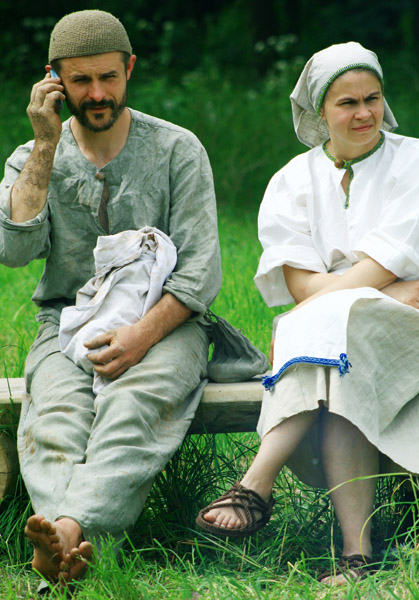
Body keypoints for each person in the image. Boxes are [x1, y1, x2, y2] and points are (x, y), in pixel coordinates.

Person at [0, 9, 221, 586]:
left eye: (109, 78)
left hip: (169, 324)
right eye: (81, 81)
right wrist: (45, 143)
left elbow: (200, 273)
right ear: (54, 80)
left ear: (130, 69)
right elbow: (13, 250)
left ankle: (65, 532)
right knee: (55, 418)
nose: (97, 94)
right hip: (66, 325)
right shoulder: (33, 156)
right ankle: (74, 543)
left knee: (131, 407)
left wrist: (141, 336)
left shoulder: (177, 149)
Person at [196, 41, 419, 584]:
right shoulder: (292, 180)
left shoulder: (413, 162)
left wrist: (315, 315)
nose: (364, 113)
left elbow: (375, 270)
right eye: (348, 103)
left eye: (372, 98)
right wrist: (372, 293)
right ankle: (357, 558)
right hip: (344, 333)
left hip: (406, 327)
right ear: (319, 110)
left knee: (326, 334)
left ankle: (256, 485)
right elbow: (300, 284)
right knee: (338, 359)